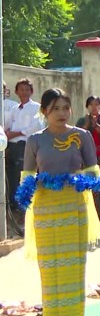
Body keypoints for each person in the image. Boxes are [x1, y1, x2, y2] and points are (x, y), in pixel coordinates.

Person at [22, 88, 100, 316]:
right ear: (44, 111)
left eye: (65, 108)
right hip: (45, 210)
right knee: (50, 267)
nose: (62, 113)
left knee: (73, 265)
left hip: (74, 206)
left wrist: (78, 179)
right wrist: (33, 185)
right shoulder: (35, 140)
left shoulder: (82, 136)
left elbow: (93, 171)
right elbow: (27, 176)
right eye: (55, 108)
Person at [5, 78, 43, 215]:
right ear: (16, 91)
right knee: (12, 176)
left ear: (31, 92)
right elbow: (8, 125)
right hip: (12, 145)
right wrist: (7, 135)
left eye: (27, 89)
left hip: (25, 145)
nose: (24, 92)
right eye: (22, 89)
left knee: (25, 174)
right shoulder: (14, 108)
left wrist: (16, 133)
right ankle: (14, 205)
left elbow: (36, 127)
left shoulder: (37, 107)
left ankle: (25, 206)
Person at [76, 96, 100, 218]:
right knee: (89, 184)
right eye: (91, 104)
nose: (94, 107)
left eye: (96, 104)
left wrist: (96, 125)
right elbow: (77, 137)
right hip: (87, 158)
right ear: (87, 107)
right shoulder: (82, 120)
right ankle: (89, 210)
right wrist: (87, 125)